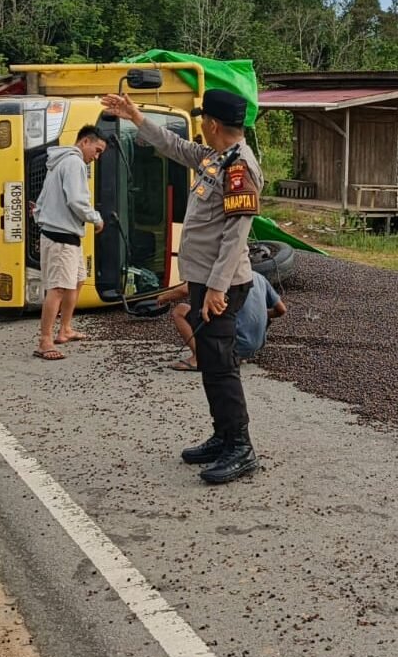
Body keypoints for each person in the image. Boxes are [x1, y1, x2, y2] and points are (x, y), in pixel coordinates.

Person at [101, 88, 265, 484]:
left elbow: (235, 235)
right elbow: (173, 146)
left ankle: (241, 447)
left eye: (203, 121)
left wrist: (216, 289)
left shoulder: (240, 167)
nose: (201, 128)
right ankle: (223, 436)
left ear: (211, 124)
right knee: (211, 361)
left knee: (222, 365)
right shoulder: (216, 158)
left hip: (219, 284)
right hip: (205, 280)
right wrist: (136, 117)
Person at [31, 125, 106, 361]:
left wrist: (40, 215)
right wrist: (95, 218)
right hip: (60, 236)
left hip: (66, 234)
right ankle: (45, 340)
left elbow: (42, 198)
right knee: (58, 288)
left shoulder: (60, 163)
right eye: (97, 149)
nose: (97, 156)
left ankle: (65, 329)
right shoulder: (74, 163)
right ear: (85, 142)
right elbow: (76, 200)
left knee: (78, 279)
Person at [160, 270, 287, 371]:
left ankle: (199, 359)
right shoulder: (259, 277)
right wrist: (258, 314)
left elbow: (185, 290)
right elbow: (281, 310)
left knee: (180, 310)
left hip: (233, 345)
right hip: (255, 346)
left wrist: (162, 297)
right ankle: (237, 356)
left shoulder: (223, 276)